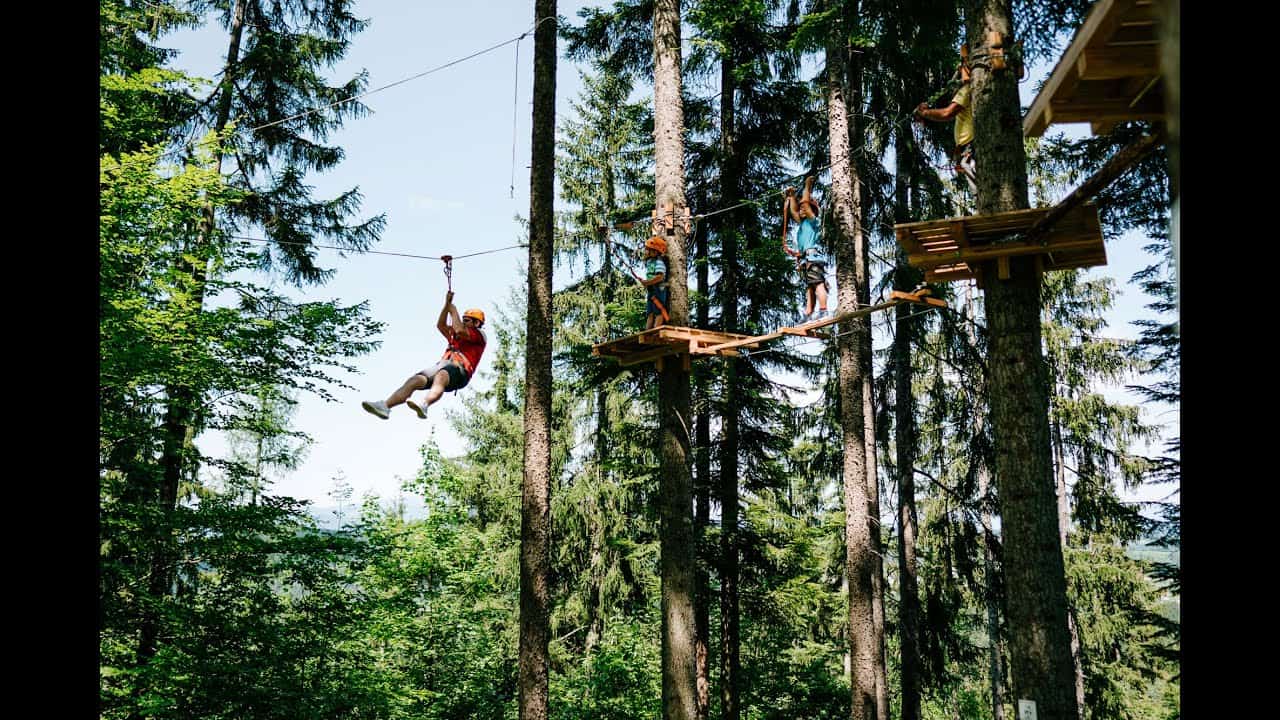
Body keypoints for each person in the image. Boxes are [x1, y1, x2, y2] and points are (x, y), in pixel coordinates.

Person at [361, 290, 486, 420]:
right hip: (444, 365)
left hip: (460, 372)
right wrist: (447, 304)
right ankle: (385, 406)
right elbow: (441, 325)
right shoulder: (456, 335)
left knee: (441, 375)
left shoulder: (479, 336)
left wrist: (453, 310)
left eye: (466, 320)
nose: (462, 322)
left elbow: (460, 329)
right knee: (415, 380)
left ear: (476, 323)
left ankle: (424, 404)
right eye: (463, 320)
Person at [914, 47, 976, 193]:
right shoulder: (971, 90)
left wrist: (924, 113)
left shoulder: (967, 89)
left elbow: (947, 113)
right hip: (967, 147)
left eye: (962, 67)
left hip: (972, 147)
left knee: (981, 190)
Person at [782, 176, 830, 324]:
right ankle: (809, 314)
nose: (801, 210)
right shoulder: (803, 224)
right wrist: (791, 197)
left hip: (813, 257)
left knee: (818, 284)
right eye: (801, 210)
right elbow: (794, 212)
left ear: (811, 211)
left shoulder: (813, 221)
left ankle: (823, 311)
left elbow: (804, 204)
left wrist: (807, 187)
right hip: (806, 260)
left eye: (805, 209)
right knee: (810, 288)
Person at [640, 236, 670, 330]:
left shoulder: (659, 262)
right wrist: (646, 283)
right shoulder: (650, 262)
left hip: (658, 290)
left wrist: (647, 282)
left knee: (659, 311)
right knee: (650, 313)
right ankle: (647, 331)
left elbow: (660, 277)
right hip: (651, 290)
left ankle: (656, 330)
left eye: (648, 250)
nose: (646, 252)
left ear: (655, 251)